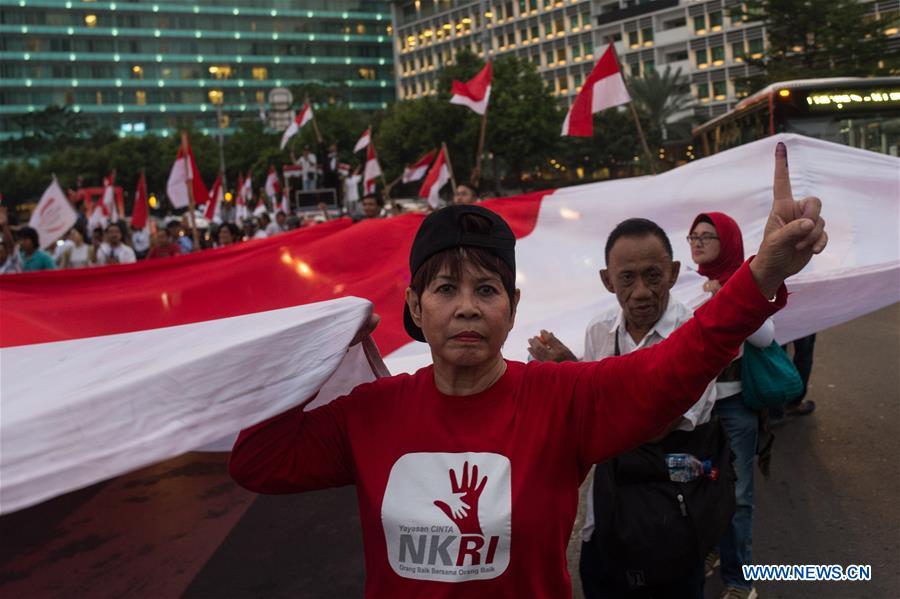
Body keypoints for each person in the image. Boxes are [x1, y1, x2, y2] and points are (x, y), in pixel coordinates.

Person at [229, 142, 827, 598]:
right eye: (444, 288)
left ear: (512, 308)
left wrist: (759, 276)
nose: (467, 305)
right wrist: (313, 348)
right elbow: (257, 461)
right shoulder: (369, 413)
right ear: (414, 306)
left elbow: (675, 364)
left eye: (487, 289)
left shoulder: (562, 400)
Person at [528, 218, 725, 598]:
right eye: (626, 279)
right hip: (609, 514)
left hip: (673, 512)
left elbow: (656, 427)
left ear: (673, 273)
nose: (640, 293)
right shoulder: (600, 330)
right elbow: (587, 419)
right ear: (607, 281)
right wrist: (574, 380)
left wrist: (574, 374)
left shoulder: (694, 334)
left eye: (653, 276)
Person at [689, 211, 776, 599]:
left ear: (728, 242)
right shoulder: (686, 287)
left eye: (708, 235)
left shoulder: (745, 281)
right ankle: (716, 552)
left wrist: (729, 295)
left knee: (738, 498)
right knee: (700, 490)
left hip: (735, 409)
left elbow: (765, 336)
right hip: (696, 414)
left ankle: (740, 583)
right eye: (693, 235)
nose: (698, 241)